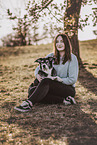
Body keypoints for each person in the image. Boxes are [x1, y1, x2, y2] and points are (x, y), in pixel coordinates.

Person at [14, 33, 79, 112]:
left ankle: (28, 104)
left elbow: (72, 79)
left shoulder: (72, 58)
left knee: (45, 82)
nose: (59, 44)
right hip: (53, 87)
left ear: (66, 43)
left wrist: (58, 79)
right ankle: (65, 100)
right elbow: (38, 68)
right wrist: (37, 75)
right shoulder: (51, 56)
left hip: (67, 89)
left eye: (62, 41)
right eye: (57, 42)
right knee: (32, 91)